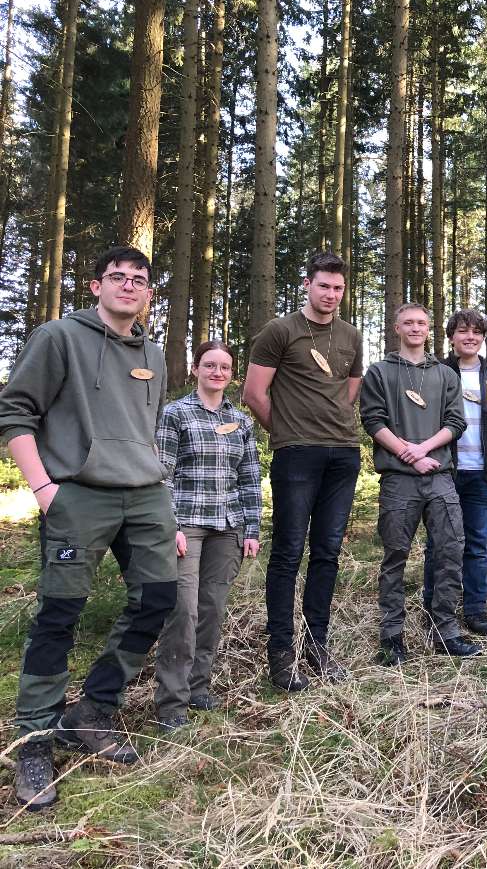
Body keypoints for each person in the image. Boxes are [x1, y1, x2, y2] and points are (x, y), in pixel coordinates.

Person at [0, 246, 178, 810]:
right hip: (77, 493)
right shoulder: (59, 338)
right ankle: (34, 737)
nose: (129, 286)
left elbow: (147, 433)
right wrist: (44, 488)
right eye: (117, 278)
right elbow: (15, 412)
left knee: (158, 598)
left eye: (140, 280)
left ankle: (93, 709)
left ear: (149, 293)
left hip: (146, 494)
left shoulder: (153, 352)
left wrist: (165, 505)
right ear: (96, 285)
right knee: (61, 612)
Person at [244, 251, 363, 691]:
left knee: (327, 552)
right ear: (308, 285)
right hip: (296, 455)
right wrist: (290, 431)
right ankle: (281, 654)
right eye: (323, 286)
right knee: (288, 552)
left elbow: (349, 391)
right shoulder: (279, 331)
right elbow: (254, 393)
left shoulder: (351, 335)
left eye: (338, 288)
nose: (330, 294)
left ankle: (318, 648)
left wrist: (330, 427)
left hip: (343, 455)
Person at [360, 302, 480, 663]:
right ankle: (392, 636)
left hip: (440, 477)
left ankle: (445, 629)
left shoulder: (444, 374)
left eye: (422, 323)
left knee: (449, 551)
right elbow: (373, 420)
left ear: (429, 329)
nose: (415, 328)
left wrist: (424, 449)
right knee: (395, 555)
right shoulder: (380, 372)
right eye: (408, 323)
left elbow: (456, 422)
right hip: (399, 481)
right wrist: (409, 454)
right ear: (396, 328)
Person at [153, 341, 263, 731]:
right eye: (210, 365)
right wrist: (171, 525)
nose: (218, 372)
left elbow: (250, 478)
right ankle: (171, 703)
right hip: (186, 524)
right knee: (184, 611)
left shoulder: (242, 421)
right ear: (196, 369)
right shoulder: (175, 414)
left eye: (225, 367)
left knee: (212, 610)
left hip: (227, 526)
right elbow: (161, 473)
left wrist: (252, 528)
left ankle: (199, 688)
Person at [422, 309, 487, 636]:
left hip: (484, 475)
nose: (470, 337)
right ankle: (434, 610)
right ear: (451, 336)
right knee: (439, 544)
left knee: (478, 544)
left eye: (477, 332)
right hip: (443, 473)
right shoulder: (436, 373)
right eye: (463, 331)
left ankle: (476, 611)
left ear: (483, 338)